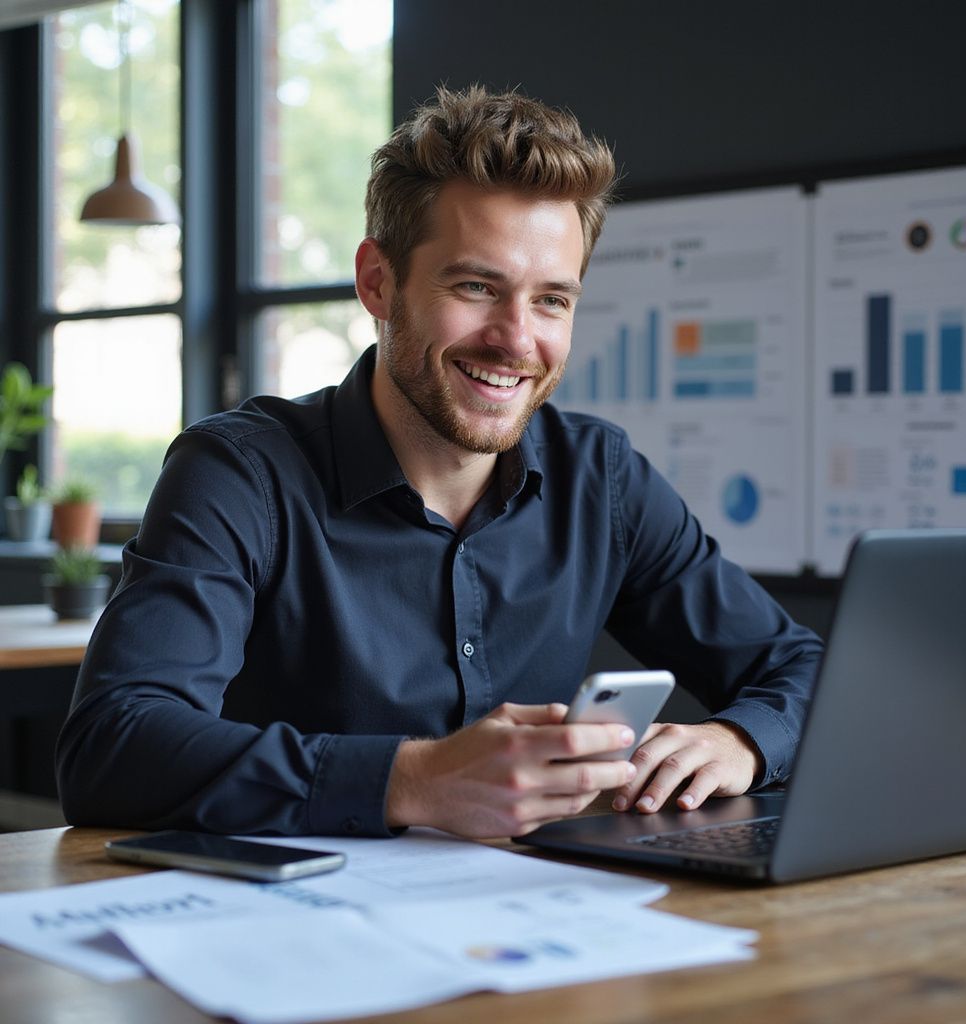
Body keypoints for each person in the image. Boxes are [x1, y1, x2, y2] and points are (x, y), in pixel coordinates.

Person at [56, 86, 822, 840]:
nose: (517, 341)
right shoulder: (238, 474)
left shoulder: (602, 478)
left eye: (552, 300)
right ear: (377, 282)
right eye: (477, 287)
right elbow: (112, 747)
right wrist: (415, 782)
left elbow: (803, 670)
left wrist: (743, 743)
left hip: (541, 930)